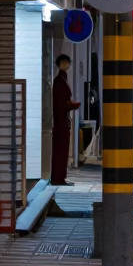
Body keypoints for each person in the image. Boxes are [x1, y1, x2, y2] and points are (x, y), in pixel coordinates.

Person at [51, 54, 80, 185]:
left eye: (66, 61)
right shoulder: (59, 81)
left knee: (63, 150)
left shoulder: (63, 79)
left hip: (63, 119)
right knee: (60, 149)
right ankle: (58, 177)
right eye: (62, 62)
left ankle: (60, 176)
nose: (65, 64)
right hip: (60, 120)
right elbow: (61, 103)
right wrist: (72, 105)